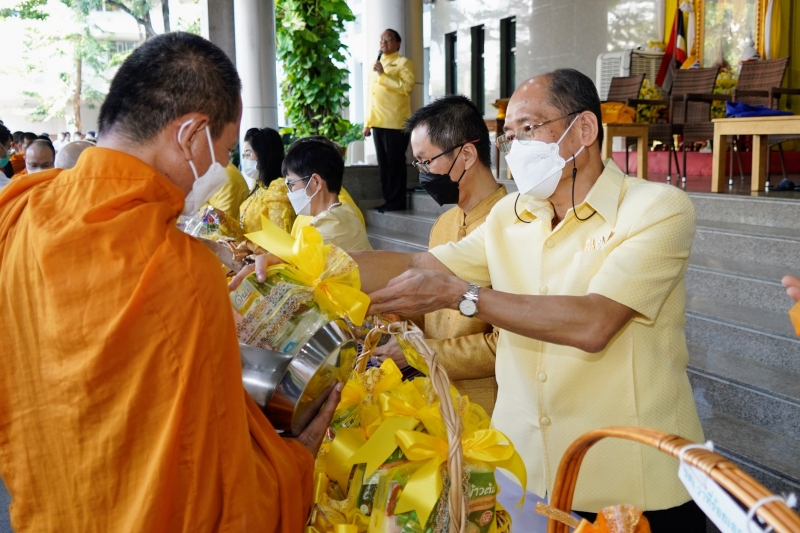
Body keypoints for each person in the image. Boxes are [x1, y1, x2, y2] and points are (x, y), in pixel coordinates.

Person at [237, 68, 707, 532]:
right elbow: (422, 268)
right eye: (510, 135)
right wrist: (300, 266)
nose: (517, 147)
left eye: (529, 129)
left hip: (632, 482)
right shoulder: (512, 215)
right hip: (528, 473)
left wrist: (467, 298)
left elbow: (594, 322)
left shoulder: (655, 209)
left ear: (583, 129)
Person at [0, 32, 339, 533]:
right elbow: (217, 494)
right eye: (222, 153)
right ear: (190, 135)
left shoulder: (21, 211)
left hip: (49, 510)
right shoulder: (179, 271)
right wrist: (296, 463)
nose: (221, 169)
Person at [372, 95, 505, 415]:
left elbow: (504, 347)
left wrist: (420, 353)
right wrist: (392, 316)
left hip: (486, 406)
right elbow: (429, 313)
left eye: (426, 161)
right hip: (434, 397)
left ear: (467, 154)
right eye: (418, 163)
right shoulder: (444, 223)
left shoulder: (509, 225)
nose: (422, 172)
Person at [283, 137, 372, 251]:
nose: (289, 193)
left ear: (316, 182)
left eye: (291, 184)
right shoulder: (347, 213)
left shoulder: (322, 235)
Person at [363, 29, 415, 213]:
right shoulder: (377, 65)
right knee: (384, 166)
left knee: (395, 164)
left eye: (388, 39)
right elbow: (372, 96)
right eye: (381, 39)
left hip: (395, 122)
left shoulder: (403, 63)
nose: (383, 42)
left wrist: (384, 76)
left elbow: (406, 87)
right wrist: (367, 122)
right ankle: (388, 199)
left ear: (398, 43)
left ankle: (397, 200)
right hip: (378, 122)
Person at [238, 127, 296, 233]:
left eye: (248, 154)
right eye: (244, 155)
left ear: (264, 155)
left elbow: (278, 238)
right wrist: (222, 219)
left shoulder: (279, 187)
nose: (245, 160)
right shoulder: (258, 187)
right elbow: (243, 232)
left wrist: (247, 246)